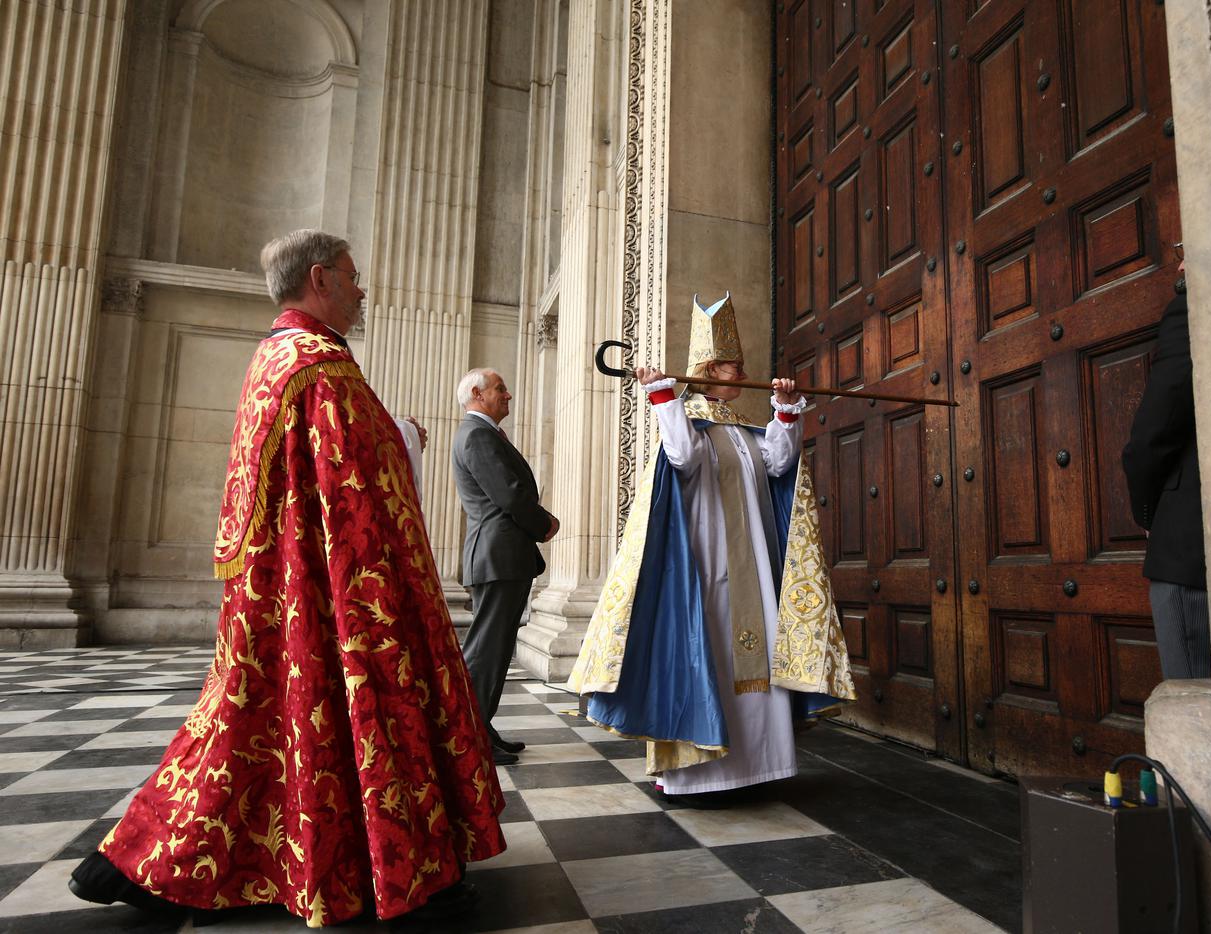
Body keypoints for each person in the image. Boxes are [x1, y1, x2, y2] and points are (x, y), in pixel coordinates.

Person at [69, 230, 506, 926]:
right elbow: (355, 486)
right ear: (321, 278)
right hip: (330, 588)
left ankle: (141, 858)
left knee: (251, 724)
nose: (362, 291)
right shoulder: (321, 367)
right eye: (353, 277)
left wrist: (395, 434)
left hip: (276, 587)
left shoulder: (275, 357)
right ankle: (391, 868)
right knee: (342, 715)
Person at [569, 293, 854, 798]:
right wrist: (662, 398)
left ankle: (759, 765)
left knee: (758, 649)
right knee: (711, 654)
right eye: (732, 363)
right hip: (707, 563)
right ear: (708, 368)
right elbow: (680, 456)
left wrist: (785, 411)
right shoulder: (691, 424)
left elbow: (780, 464)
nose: (742, 371)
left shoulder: (742, 428)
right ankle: (701, 773)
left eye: (742, 364)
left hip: (754, 565)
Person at [452, 368, 559, 766]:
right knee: (486, 651)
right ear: (477, 394)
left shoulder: (482, 433)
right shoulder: (477, 435)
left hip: (501, 557)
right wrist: (544, 523)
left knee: (495, 650)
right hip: (497, 556)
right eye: (500, 389)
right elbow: (508, 496)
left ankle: (482, 725)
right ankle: (471, 735)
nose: (508, 394)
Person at [1122, 252, 1211, 679]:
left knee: (1192, 704)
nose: (1180, 264)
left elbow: (1153, 431)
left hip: (1187, 549)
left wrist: (1145, 510)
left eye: (1185, 251)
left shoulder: (1196, 307)